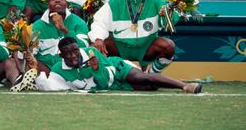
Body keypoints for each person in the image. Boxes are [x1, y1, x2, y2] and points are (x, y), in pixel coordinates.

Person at [31, 37, 201, 93]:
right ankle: (155, 82)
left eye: (75, 50)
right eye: (68, 53)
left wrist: (97, 68)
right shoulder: (58, 70)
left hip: (116, 70)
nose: (74, 55)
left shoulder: (91, 52)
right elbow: (50, 85)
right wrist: (34, 71)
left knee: (142, 77)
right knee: (149, 86)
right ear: (61, 55)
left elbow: (104, 80)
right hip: (114, 86)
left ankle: (185, 86)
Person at [90, 0, 178, 74]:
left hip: (146, 46)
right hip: (120, 46)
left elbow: (172, 19)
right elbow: (99, 21)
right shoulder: (116, 1)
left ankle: (153, 74)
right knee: (95, 45)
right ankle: (108, 75)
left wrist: (166, 13)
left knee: (169, 46)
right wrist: (98, 38)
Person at [32, 0, 89, 75]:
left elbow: (84, 47)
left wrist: (64, 29)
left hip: (71, 65)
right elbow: (31, 51)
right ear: (48, 5)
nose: (57, 0)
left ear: (66, 4)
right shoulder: (37, 26)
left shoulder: (78, 22)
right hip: (46, 68)